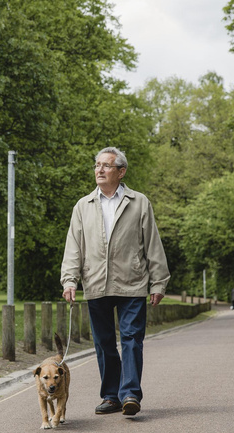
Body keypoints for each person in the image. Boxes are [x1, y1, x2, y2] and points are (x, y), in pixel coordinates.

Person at [60, 147, 170, 417]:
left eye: (106, 166)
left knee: (132, 338)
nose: (99, 170)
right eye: (97, 165)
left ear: (121, 172)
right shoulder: (83, 205)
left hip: (132, 282)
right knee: (104, 342)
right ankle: (111, 396)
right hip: (96, 282)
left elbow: (152, 244)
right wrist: (70, 280)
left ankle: (130, 393)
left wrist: (158, 282)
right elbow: (74, 246)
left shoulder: (139, 202)